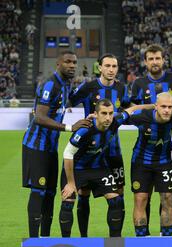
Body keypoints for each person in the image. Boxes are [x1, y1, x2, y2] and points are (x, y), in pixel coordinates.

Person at [22, 50, 92, 237]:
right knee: (39, 191)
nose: (72, 65)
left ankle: (45, 238)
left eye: (74, 62)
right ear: (58, 64)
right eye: (68, 62)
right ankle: (33, 241)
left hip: (50, 148)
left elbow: (67, 102)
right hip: (36, 147)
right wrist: (70, 127)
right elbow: (39, 117)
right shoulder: (50, 84)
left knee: (50, 193)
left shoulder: (65, 85)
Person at [59, 99, 148, 237]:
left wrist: (155, 105)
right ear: (96, 114)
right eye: (104, 113)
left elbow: (132, 110)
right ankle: (67, 242)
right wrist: (71, 183)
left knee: (116, 201)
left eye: (111, 113)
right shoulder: (85, 130)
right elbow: (67, 153)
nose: (108, 118)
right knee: (68, 202)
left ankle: (115, 241)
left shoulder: (115, 121)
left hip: (98, 168)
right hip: (77, 170)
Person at [69, 53, 131, 237]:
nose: (111, 70)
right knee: (84, 194)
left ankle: (116, 238)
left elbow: (127, 108)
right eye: (108, 66)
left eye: (114, 66)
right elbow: (69, 101)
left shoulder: (121, 88)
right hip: (90, 151)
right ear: (100, 68)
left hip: (113, 151)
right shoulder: (88, 87)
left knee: (119, 194)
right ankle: (83, 237)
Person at [129, 44, 172, 236]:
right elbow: (133, 110)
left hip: (170, 150)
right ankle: (142, 240)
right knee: (142, 198)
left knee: (167, 197)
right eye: (151, 59)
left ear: (163, 60)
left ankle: (165, 239)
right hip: (144, 148)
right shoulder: (139, 83)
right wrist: (152, 111)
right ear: (146, 62)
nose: (155, 62)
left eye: (158, 58)